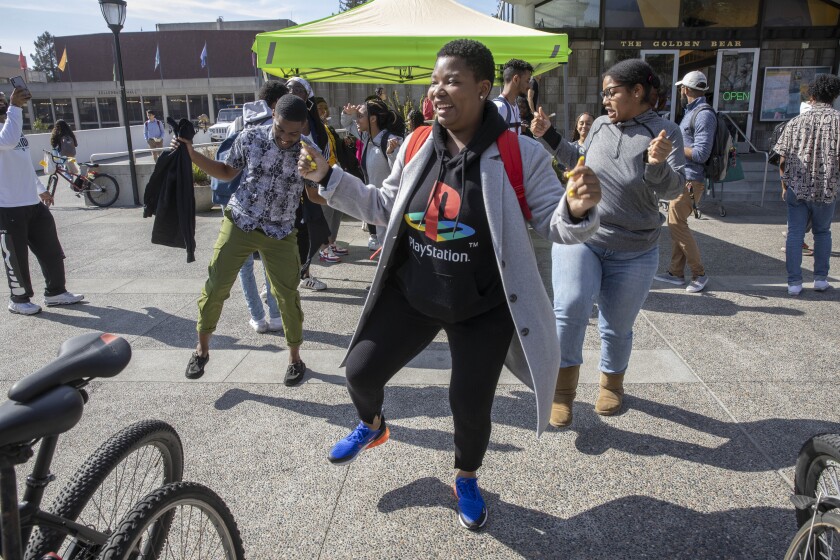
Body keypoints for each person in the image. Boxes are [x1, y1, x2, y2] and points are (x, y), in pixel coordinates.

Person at [299, 39, 602, 531]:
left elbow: (555, 221)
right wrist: (331, 176)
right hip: (413, 295)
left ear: (483, 89)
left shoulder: (517, 152)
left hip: (482, 307)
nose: (438, 91)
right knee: (358, 371)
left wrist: (579, 208)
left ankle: (465, 476)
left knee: (469, 404)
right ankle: (373, 426)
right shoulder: (418, 143)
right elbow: (382, 205)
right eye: (435, 81)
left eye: (452, 81)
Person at [533, 59, 685, 428]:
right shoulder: (601, 125)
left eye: (611, 92)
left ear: (637, 92)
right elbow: (577, 158)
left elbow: (674, 188)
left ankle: (611, 385)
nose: (604, 101)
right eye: (604, 93)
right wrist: (548, 135)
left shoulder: (666, 132)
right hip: (584, 236)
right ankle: (562, 393)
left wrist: (656, 164)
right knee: (568, 308)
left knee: (616, 325)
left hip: (635, 248)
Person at [175, 94, 312, 385]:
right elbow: (226, 172)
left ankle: (295, 359)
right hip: (240, 221)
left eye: (294, 132)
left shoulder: (308, 151)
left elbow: (314, 196)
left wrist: (330, 181)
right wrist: (192, 155)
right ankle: (202, 349)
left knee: (288, 297)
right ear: (273, 115)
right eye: (281, 130)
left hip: (281, 232)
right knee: (215, 287)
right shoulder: (250, 137)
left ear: (303, 127)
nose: (287, 138)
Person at [0, 89, 83, 315]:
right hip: (7, 206)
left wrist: (40, 190)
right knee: (15, 256)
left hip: (31, 203)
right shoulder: (8, 129)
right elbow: (6, 142)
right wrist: (15, 107)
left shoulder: (13, 127)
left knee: (51, 250)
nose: (3, 101)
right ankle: (18, 299)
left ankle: (55, 292)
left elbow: (24, 164)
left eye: (3, 98)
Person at [216, 80, 288, 333]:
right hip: (269, 209)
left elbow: (226, 164)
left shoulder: (240, 122)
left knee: (244, 266)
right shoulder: (277, 127)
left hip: (238, 205)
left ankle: (257, 318)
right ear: (276, 104)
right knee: (270, 262)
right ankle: (277, 316)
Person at [774, 73, 840, 295]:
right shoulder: (839, 122)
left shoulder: (795, 122)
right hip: (826, 188)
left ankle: (794, 282)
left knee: (795, 234)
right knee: (823, 232)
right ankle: (820, 278)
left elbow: (782, 159)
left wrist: (784, 185)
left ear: (812, 95)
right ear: (835, 96)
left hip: (797, 187)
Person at [653, 71, 712, 293]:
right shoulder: (693, 112)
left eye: (681, 88)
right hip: (686, 178)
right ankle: (676, 272)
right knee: (677, 224)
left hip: (691, 179)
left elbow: (701, 153)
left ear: (685, 89)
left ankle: (699, 273)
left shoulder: (703, 114)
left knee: (677, 224)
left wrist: (674, 147)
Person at [286, 77, 340, 290]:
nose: (291, 92)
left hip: (309, 187)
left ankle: (304, 274)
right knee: (283, 234)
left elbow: (323, 152)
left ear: (306, 95)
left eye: (297, 89)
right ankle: (276, 278)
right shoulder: (281, 120)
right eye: (288, 89)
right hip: (286, 189)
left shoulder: (314, 125)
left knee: (308, 233)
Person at [341, 98, 404, 251]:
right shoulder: (367, 137)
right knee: (385, 245)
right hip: (377, 204)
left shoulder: (392, 141)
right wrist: (347, 113)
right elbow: (347, 124)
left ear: (373, 119)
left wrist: (391, 153)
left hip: (391, 205)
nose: (357, 120)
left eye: (360, 116)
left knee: (392, 247)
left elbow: (402, 171)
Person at [493, 58, 533, 134]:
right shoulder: (499, 108)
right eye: (527, 81)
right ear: (516, 79)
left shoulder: (514, 105)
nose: (529, 86)